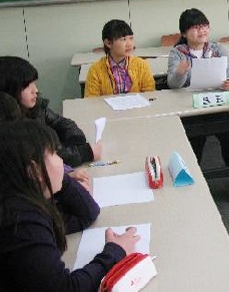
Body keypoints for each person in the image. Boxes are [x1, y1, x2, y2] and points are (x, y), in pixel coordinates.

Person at [0, 119, 140, 292]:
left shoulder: (27, 199)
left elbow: (87, 213)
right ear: (34, 171)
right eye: (54, 154)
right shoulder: (21, 223)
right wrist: (116, 253)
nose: (62, 161)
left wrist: (59, 178)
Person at [167, 8, 229, 201]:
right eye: (196, 27)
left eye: (205, 26)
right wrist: (180, 72)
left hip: (216, 104)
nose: (202, 31)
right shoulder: (177, 53)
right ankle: (191, 182)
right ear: (184, 33)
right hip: (191, 108)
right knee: (194, 141)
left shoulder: (217, 49)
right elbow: (173, 85)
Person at [0, 56, 101, 167]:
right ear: (10, 91)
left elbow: (64, 123)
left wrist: (75, 145)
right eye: (27, 86)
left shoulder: (36, 107)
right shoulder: (9, 131)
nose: (35, 90)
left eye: (34, 83)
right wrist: (83, 153)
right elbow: (40, 161)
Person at [84, 19, 155, 97]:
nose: (129, 44)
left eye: (131, 38)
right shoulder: (95, 71)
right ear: (108, 43)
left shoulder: (142, 65)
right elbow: (91, 100)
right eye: (123, 39)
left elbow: (150, 95)